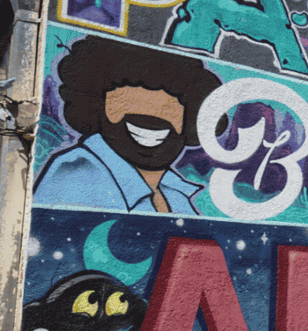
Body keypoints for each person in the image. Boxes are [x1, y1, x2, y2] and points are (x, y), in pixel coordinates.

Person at [34, 35, 222, 214]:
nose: (150, 113)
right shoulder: (77, 172)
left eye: (168, 101)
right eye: (130, 98)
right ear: (96, 105)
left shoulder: (174, 191)